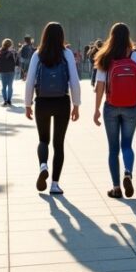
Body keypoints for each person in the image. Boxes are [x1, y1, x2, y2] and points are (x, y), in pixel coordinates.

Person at [24, 22, 81, 195]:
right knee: (59, 144)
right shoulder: (67, 54)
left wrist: (28, 104)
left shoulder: (37, 54)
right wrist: (76, 105)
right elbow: (75, 81)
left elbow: (30, 81)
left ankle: (43, 165)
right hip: (62, 101)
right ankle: (55, 184)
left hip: (42, 101)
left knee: (43, 140)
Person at [92, 23, 136, 198]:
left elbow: (100, 85)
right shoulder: (135, 56)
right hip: (131, 106)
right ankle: (128, 173)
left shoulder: (105, 56)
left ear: (112, 36)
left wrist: (96, 109)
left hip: (111, 106)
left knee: (113, 149)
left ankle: (116, 188)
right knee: (127, 145)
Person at [0, 38, 19, 106]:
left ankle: (5, 100)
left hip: (3, 71)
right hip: (11, 71)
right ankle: (9, 100)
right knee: (10, 86)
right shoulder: (13, 51)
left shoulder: (0, 51)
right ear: (11, 44)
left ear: (3, 44)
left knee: (4, 87)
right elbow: (17, 61)